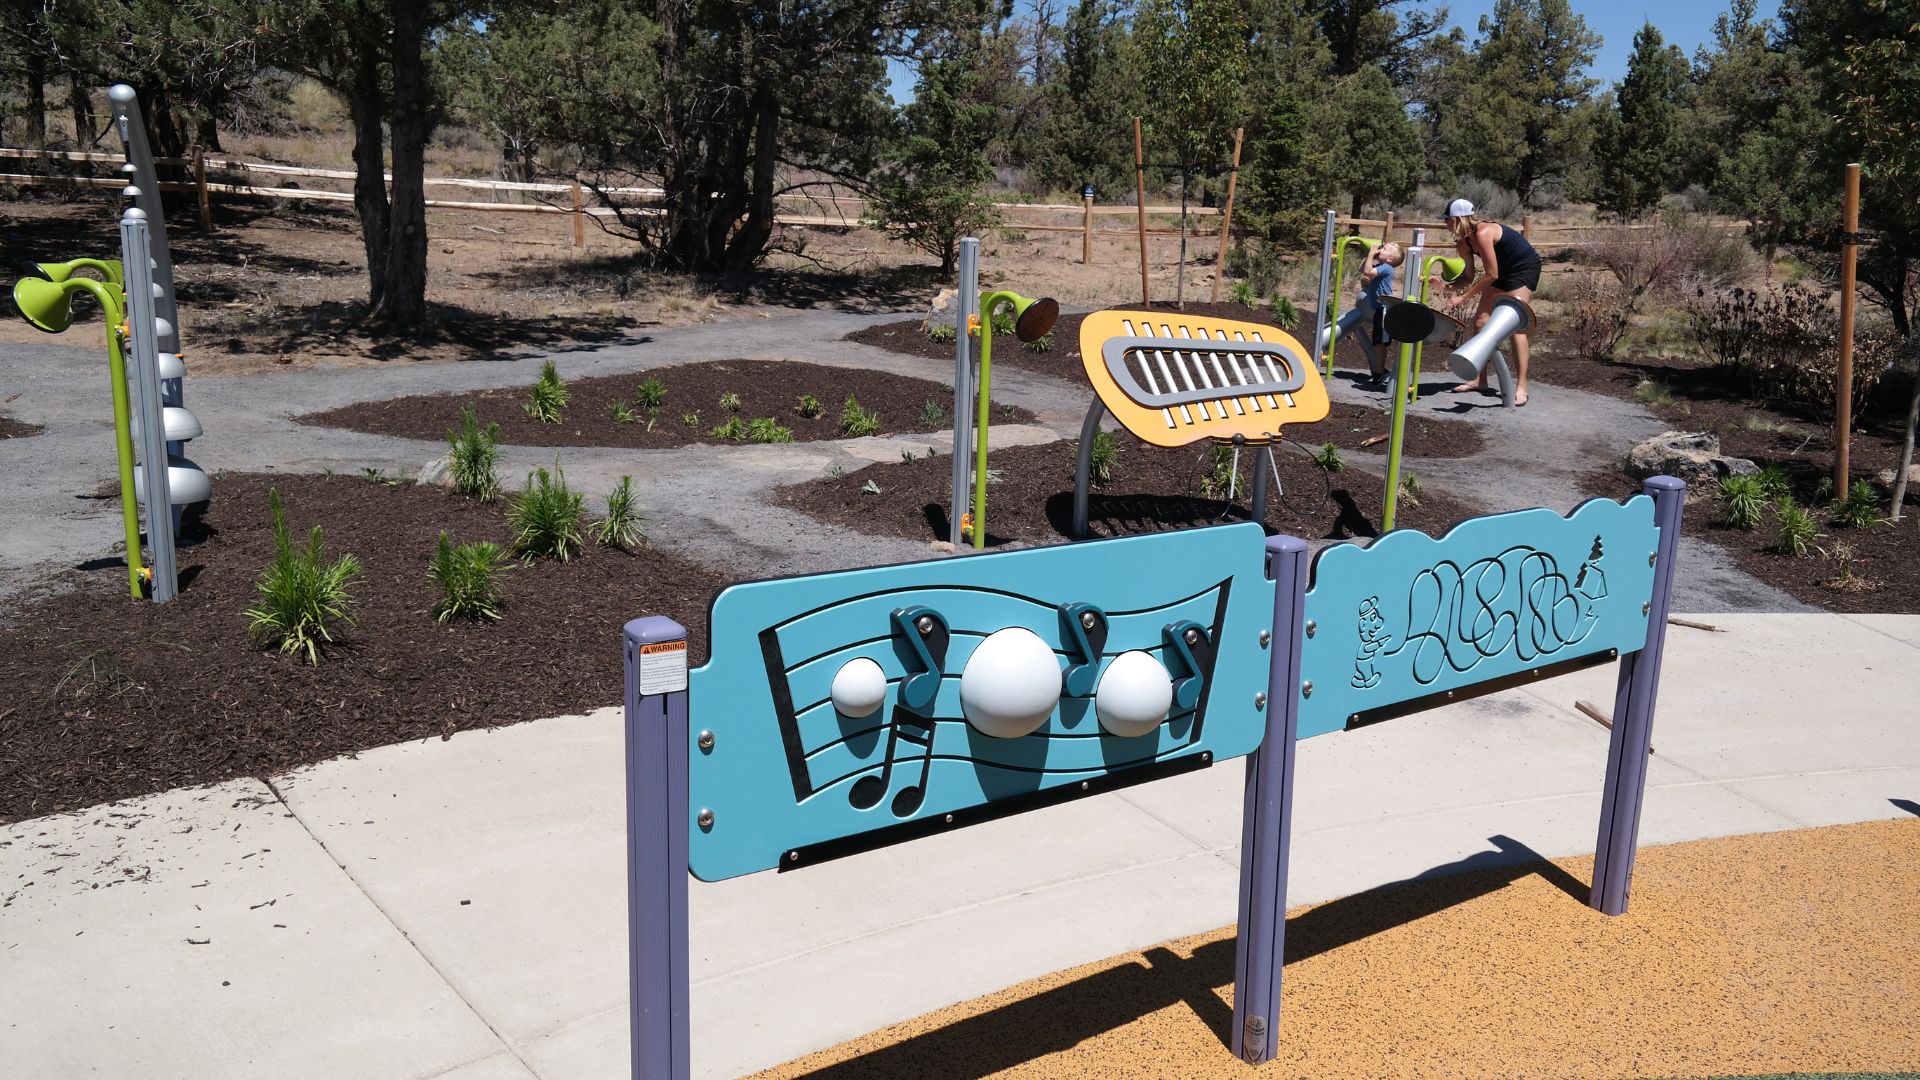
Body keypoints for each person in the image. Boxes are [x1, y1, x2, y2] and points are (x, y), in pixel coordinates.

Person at [1435, 198, 1540, 406]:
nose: (1445, 224)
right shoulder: (1463, 243)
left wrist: (1463, 298)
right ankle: (1479, 380)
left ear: (1456, 219)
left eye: (1446, 220)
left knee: (1515, 326)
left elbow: (1491, 275)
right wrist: (1446, 288)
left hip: (1522, 269)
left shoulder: (1484, 233)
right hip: (1500, 273)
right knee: (1481, 323)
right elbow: (1468, 277)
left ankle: (1521, 386)